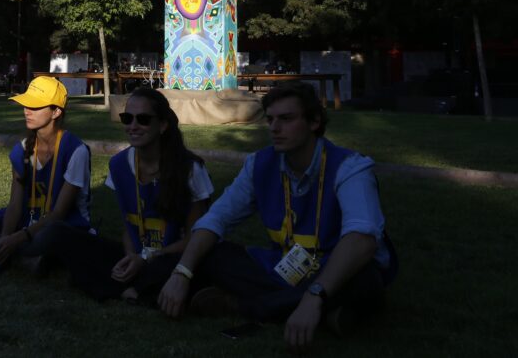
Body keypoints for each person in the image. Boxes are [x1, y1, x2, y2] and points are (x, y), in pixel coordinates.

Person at [158, 81, 397, 352]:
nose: (274, 128)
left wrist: (314, 295)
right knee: (213, 254)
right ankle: (326, 312)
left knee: (364, 279)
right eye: (270, 119)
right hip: (285, 268)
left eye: (286, 119)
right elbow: (217, 219)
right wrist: (182, 272)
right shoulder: (260, 164)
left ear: (314, 122)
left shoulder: (350, 168)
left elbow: (362, 239)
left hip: (336, 268)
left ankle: (244, 305)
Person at [47, 87, 213, 303]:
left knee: (197, 265)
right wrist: (131, 257)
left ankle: (127, 289)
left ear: (162, 125)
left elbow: (194, 239)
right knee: (63, 234)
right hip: (138, 255)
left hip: (173, 257)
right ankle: (137, 290)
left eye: (143, 119)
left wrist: (147, 259)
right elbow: (129, 227)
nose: (133, 126)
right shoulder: (119, 165)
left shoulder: (190, 170)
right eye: (127, 118)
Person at [0, 76, 91, 269]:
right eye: (26, 104)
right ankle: (20, 257)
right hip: (26, 221)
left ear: (56, 112)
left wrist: (15, 239)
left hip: (59, 224)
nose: (27, 110)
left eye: (35, 106)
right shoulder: (22, 149)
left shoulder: (76, 151)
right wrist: (5, 240)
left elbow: (59, 213)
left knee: (56, 233)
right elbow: (14, 206)